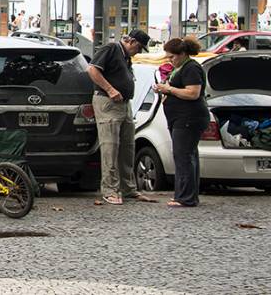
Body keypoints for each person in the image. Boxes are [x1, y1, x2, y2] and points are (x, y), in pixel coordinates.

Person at [87, 29, 153, 205]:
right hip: (108, 103)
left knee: (127, 147)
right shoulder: (111, 49)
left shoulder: (126, 57)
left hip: (124, 105)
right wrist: (110, 89)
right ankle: (110, 190)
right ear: (131, 41)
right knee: (110, 147)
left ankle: (128, 188)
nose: (139, 52)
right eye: (138, 47)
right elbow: (92, 70)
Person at [153, 37, 209, 208]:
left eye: (172, 57)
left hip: (188, 118)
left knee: (183, 155)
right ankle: (188, 195)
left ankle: (185, 197)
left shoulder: (191, 68)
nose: (170, 60)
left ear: (183, 54)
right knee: (188, 155)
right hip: (180, 118)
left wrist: (168, 89)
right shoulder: (179, 68)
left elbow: (193, 93)